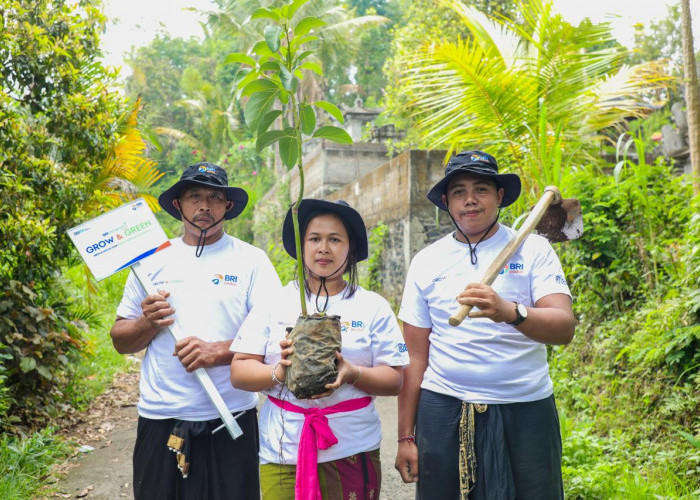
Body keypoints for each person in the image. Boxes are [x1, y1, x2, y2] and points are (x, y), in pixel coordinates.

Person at [394, 151, 575, 499]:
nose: (470, 200)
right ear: (447, 202)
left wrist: (510, 312)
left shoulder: (533, 250)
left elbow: (563, 327)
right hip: (444, 409)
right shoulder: (426, 261)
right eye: (459, 191)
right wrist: (406, 437)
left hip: (525, 409)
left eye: (481, 188)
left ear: (500, 196)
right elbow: (415, 357)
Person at [110, 162, 281, 500]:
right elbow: (119, 340)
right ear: (179, 205)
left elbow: (276, 337)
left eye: (215, 197)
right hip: (161, 417)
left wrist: (217, 352)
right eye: (194, 196)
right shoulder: (149, 262)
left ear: (228, 207)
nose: (205, 206)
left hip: (232, 416)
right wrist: (147, 323)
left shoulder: (252, 261)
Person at [230, 199, 409, 500]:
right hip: (283, 449)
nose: (323, 248)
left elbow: (395, 379)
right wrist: (278, 372)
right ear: (301, 247)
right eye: (314, 239)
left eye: (335, 239)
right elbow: (239, 370)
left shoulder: (372, 306)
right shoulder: (276, 302)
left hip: (352, 446)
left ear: (350, 249)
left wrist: (353, 373)